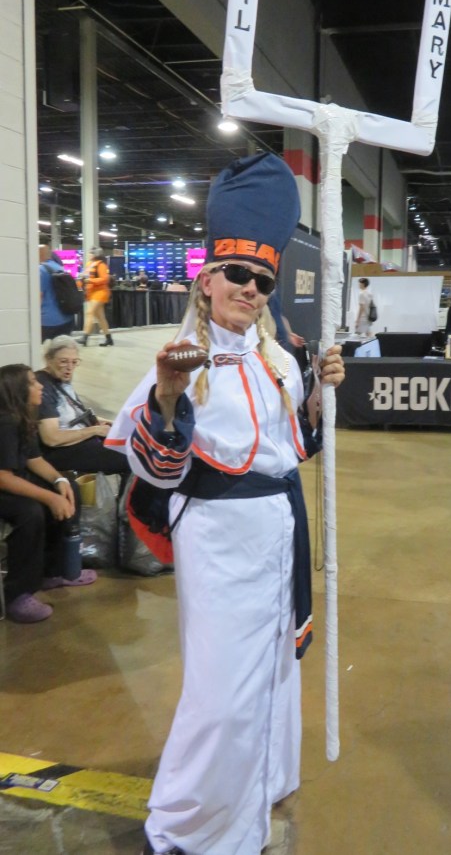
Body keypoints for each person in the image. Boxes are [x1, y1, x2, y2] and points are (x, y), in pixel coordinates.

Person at [106, 153, 345, 855]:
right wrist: (170, 398)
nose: (250, 286)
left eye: (262, 279)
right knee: (220, 692)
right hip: (218, 537)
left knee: (271, 673)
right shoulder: (180, 354)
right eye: (236, 274)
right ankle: (187, 829)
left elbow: (295, 445)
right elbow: (154, 468)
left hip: (278, 529)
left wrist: (322, 390)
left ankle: (257, 787)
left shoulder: (280, 356)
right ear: (206, 277)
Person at [0, 364, 96, 624]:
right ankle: (17, 594)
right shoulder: (5, 422)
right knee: (30, 512)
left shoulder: (23, 415)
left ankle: (52, 571)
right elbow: (3, 477)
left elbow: (34, 459)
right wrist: (49, 498)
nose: (40, 386)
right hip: (3, 483)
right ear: (17, 390)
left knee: (68, 489)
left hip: (11, 479)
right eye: (33, 383)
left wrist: (60, 481)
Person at [35, 335, 130, 484]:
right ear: (48, 359)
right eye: (63, 361)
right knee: (131, 458)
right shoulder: (43, 386)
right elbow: (51, 438)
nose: (69, 367)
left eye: (74, 362)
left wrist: (118, 423)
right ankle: (129, 505)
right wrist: (95, 430)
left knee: (134, 443)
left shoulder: (62, 380)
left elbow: (80, 414)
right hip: (60, 450)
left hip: (79, 439)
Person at [78, 246, 114, 346]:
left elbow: (104, 279)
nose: (89, 254)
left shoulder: (101, 265)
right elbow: (85, 276)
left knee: (89, 313)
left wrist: (89, 280)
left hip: (100, 293)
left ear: (96, 254)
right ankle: (109, 339)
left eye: (91, 253)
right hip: (92, 293)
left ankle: (84, 337)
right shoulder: (89, 264)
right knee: (100, 317)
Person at [39, 245, 74, 341]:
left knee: (46, 352)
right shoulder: (59, 267)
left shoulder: (40, 270)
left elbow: (39, 297)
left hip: (48, 322)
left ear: (39, 254)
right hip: (67, 318)